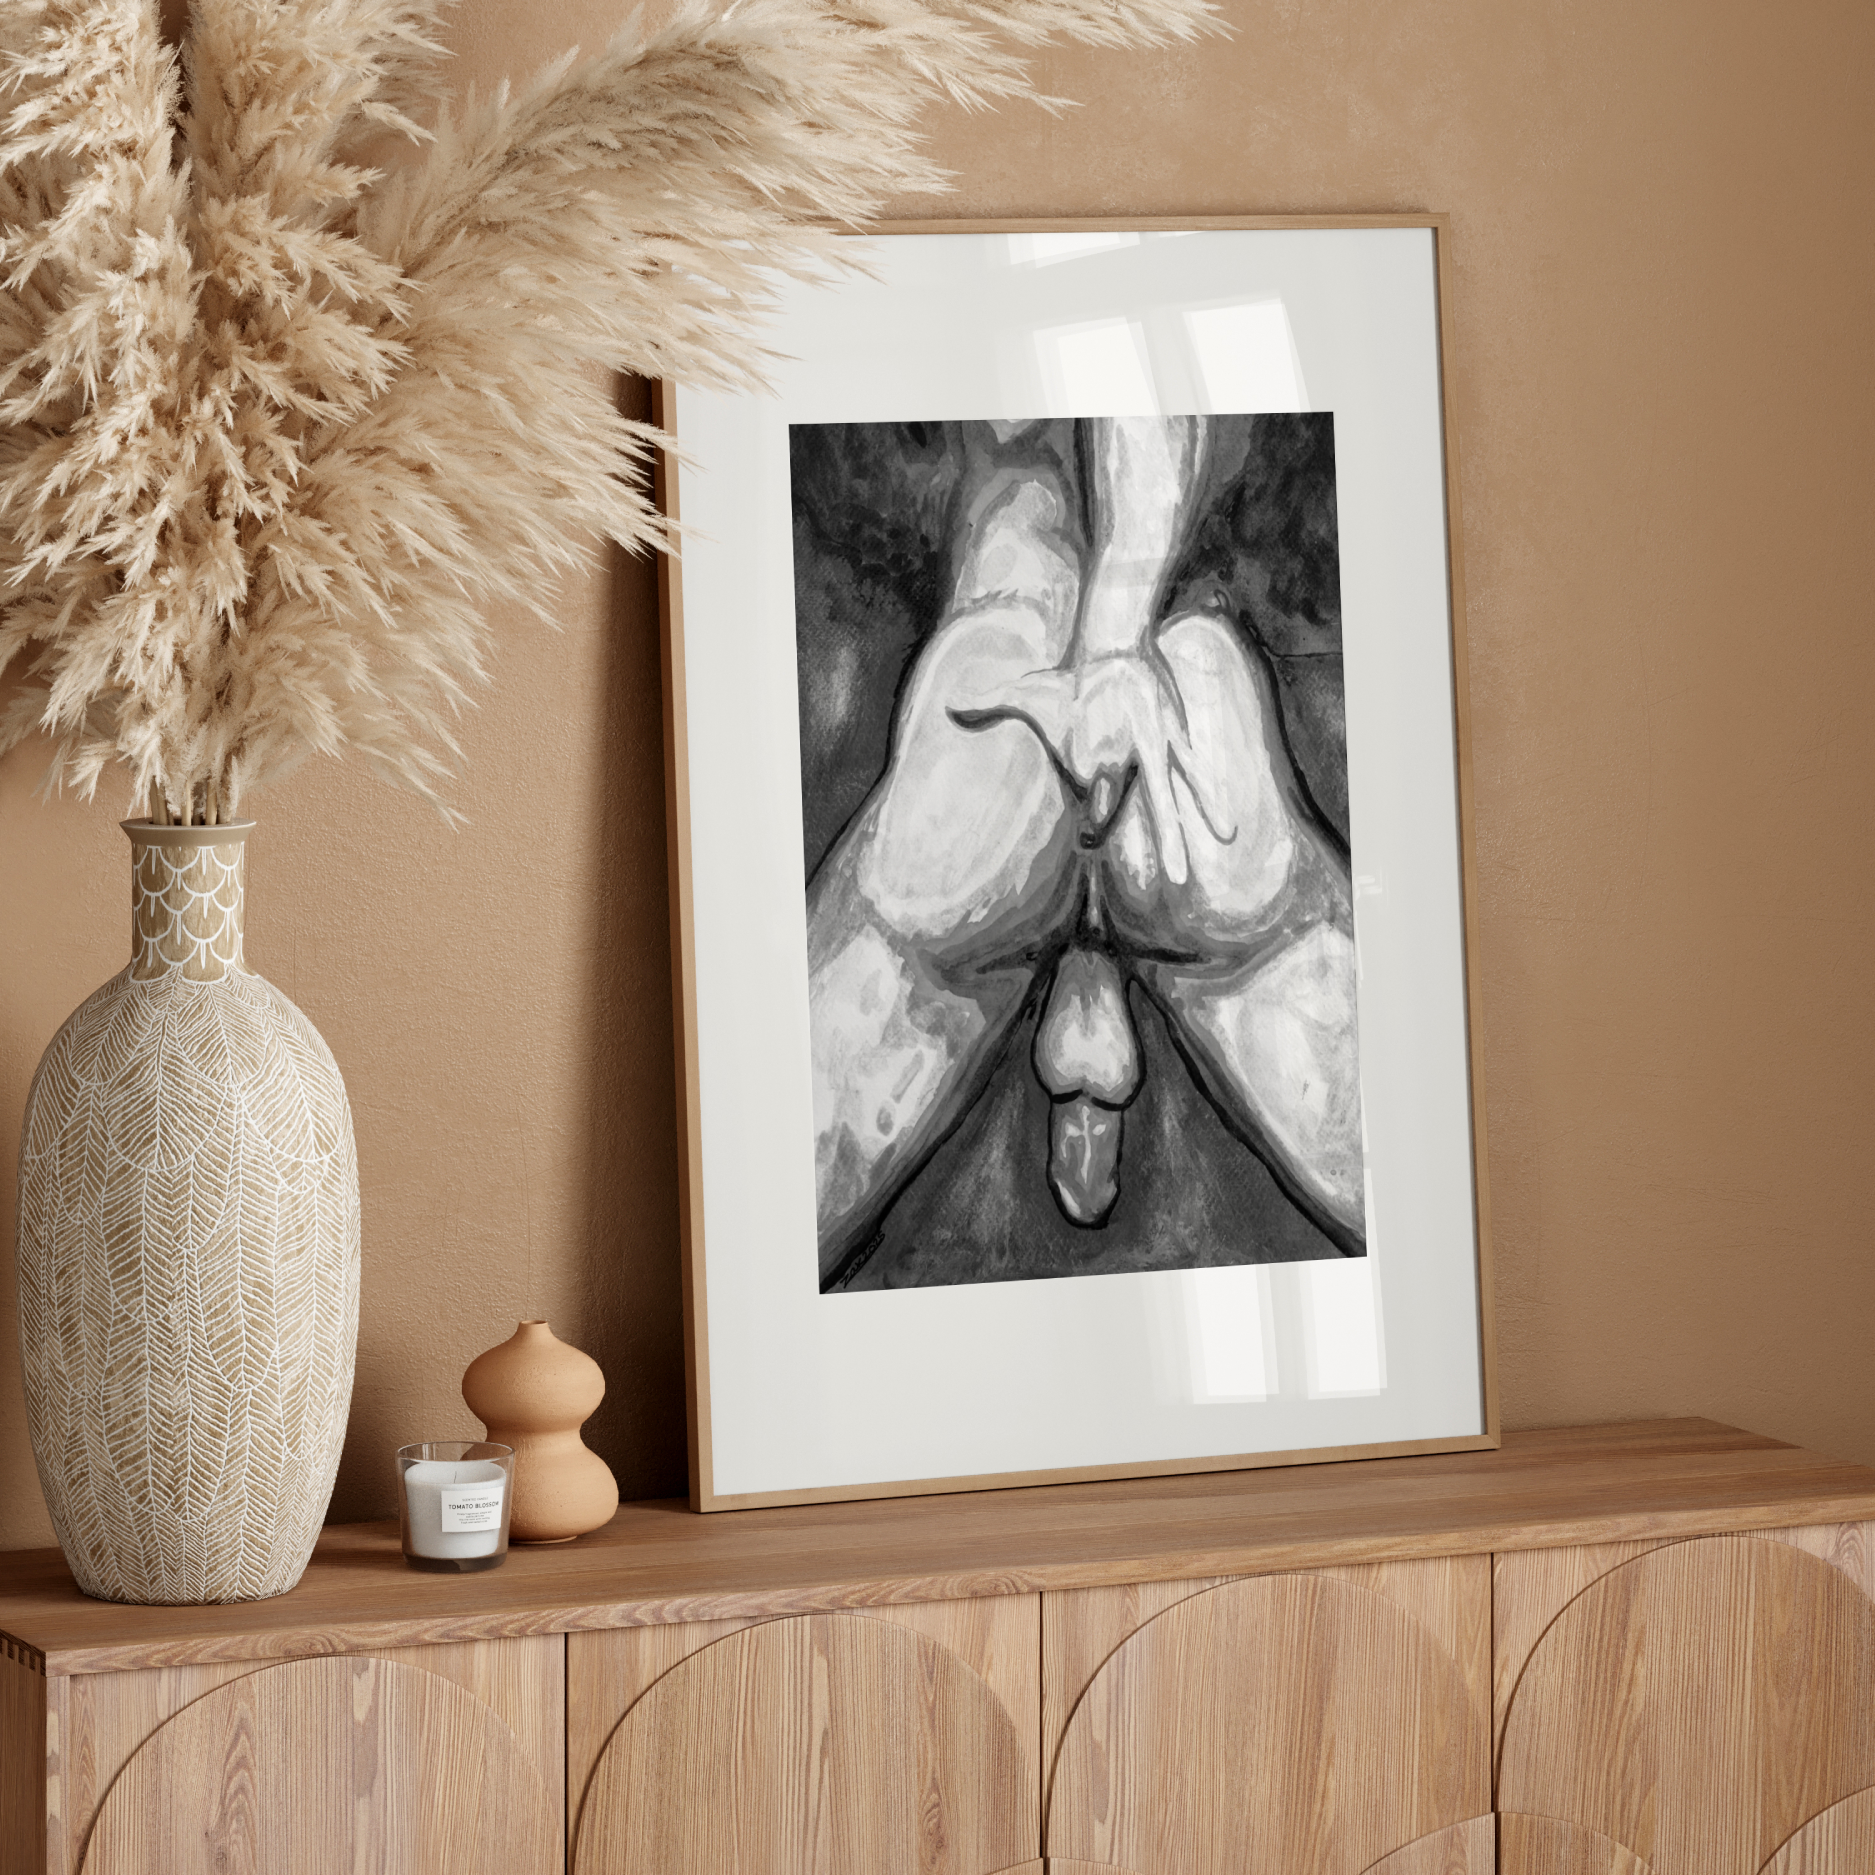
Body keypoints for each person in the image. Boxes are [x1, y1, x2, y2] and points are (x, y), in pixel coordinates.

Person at [806, 415, 1364, 1290]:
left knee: (762, 1227)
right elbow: (1135, 355)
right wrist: (1115, 632)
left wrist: (1105, 645)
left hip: (995, 735)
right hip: (1180, 745)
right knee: (1407, 1194)